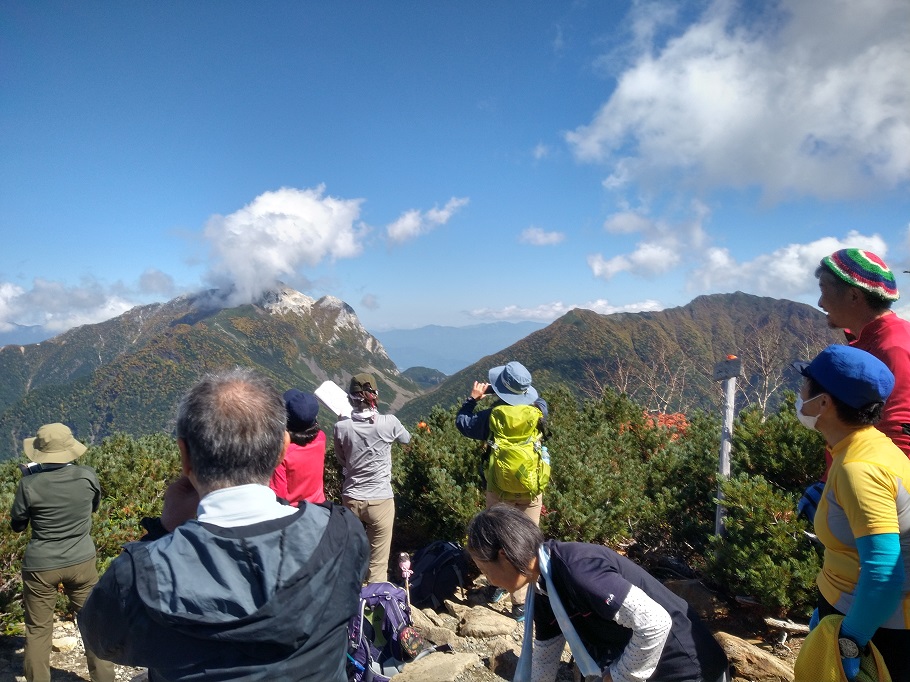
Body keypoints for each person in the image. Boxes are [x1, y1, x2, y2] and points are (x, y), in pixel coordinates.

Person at [78, 368, 368, 681]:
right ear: (283, 447)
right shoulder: (342, 535)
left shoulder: (138, 574)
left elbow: (101, 639)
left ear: (184, 456)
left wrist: (162, 533)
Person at [467, 505, 730, 682]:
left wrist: (617, 676)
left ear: (503, 555)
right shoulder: (543, 584)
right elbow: (546, 652)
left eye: (484, 569)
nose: (489, 580)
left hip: (685, 666)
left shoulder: (578, 569)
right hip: (649, 665)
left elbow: (655, 623)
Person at [792, 345, 910, 681]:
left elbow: (884, 577)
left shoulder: (859, 469)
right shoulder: (867, 446)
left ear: (825, 402)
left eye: (805, 386)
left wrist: (849, 641)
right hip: (850, 610)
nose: (800, 396)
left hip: (878, 631)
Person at [9, 423, 116, 682]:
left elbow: (17, 524)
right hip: (81, 561)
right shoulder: (87, 476)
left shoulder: (30, 484)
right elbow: (93, 506)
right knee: (93, 624)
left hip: (41, 566)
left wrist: (30, 480)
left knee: (38, 630)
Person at [456, 360, 549, 620]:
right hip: (531, 488)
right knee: (528, 545)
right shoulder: (538, 412)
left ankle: (498, 587)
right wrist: (524, 394)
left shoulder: (491, 417)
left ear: (499, 391)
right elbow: (541, 401)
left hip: (499, 490)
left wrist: (473, 399)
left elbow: (463, 423)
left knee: (497, 541)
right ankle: (524, 603)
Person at [816, 248, 910, 456]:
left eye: (823, 290)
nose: (820, 302)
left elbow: (901, 437)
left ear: (853, 295)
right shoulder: (870, 342)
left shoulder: (894, 347)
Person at [334, 372, 411, 584]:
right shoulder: (389, 423)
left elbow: (342, 460)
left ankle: (347, 603)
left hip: (351, 497)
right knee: (378, 564)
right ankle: (373, 611)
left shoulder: (341, 427)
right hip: (381, 500)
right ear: (374, 396)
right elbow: (407, 439)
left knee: (350, 556)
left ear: (350, 399)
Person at [269, 388, 327, 505]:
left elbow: (278, 497)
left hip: (295, 513)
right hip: (320, 507)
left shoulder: (282, 454)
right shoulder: (321, 437)